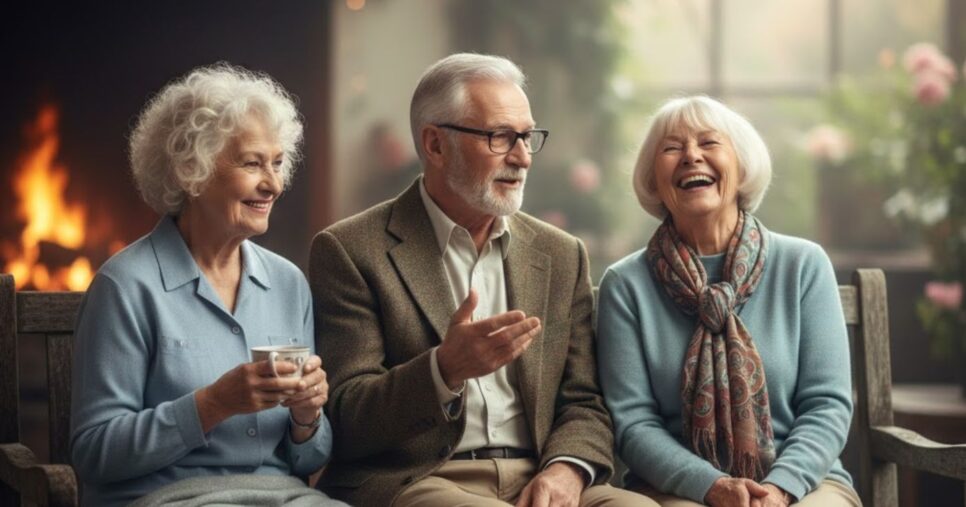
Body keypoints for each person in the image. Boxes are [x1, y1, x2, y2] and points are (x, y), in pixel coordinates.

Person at [309, 53, 655, 507]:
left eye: (528, 137)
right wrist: (444, 369)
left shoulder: (560, 253)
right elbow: (346, 417)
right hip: (420, 478)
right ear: (434, 144)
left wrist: (567, 470)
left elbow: (584, 401)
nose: (523, 157)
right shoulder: (351, 249)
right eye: (500, 137)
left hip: (540, 471)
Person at [69, 64, 344, 507]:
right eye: (252, 163)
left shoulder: (288, 282)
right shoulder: (125, 285)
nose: (272, 184)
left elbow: (309, 458)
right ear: (190, 170)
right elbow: (95, 453)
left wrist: (307, 415)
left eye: (276, 163)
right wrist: (213, 404)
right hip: (170, 499)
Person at [596, 95, 861, 507]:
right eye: (671, 148)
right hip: (675, 488)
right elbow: (633, 424)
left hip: (805, 481)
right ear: (653, 179)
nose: (690, 157)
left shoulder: (803, 265)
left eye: (708, 143)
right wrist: (713, 487)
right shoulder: (625, 285)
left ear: (742, 166)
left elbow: (827, 404)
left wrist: (780, 487)